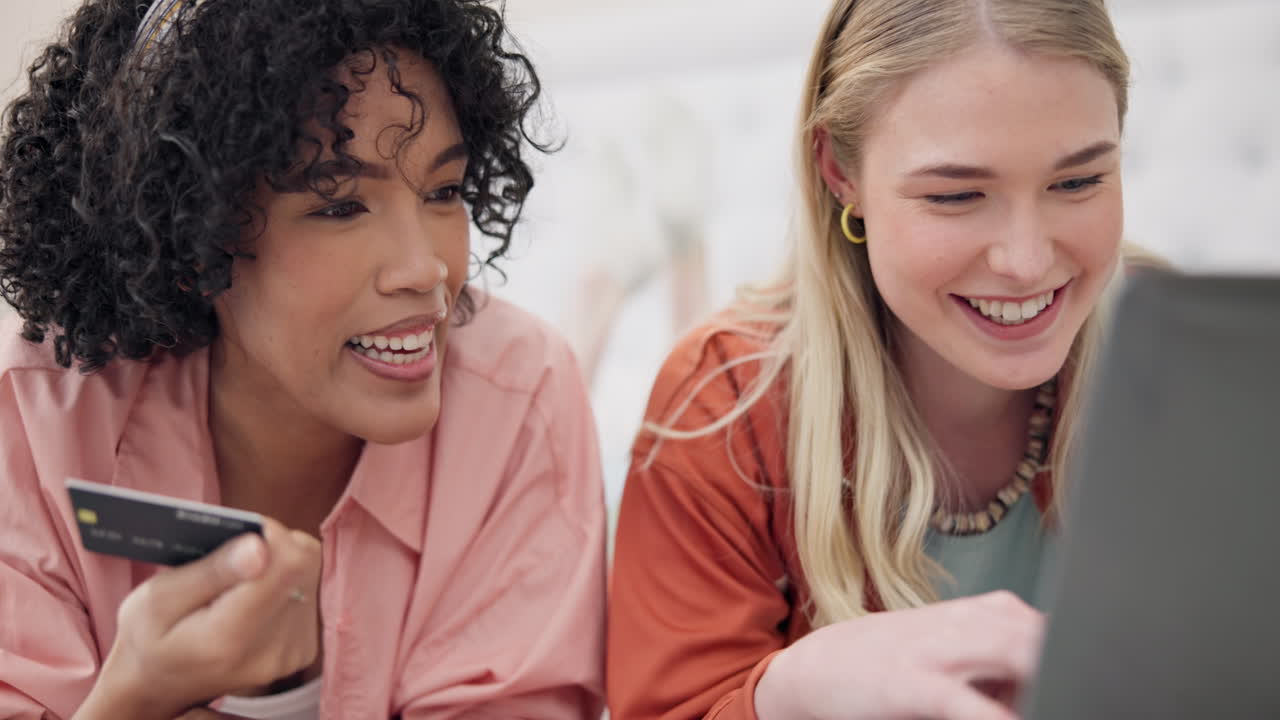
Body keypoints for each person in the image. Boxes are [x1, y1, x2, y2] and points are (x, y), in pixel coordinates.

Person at [0, 1, 605, 718]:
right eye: (340, 206)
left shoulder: (519, 399)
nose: (426, 270)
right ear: (196, 241)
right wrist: (137, 699)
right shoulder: (36, 427)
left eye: (443, 192)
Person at [607, 0, 1149, 718]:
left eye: (1077, 182)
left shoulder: (1178, 358)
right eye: (957, 194)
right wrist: (793, 692)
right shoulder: (723, 403)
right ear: (840, 172)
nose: (1026, 261)